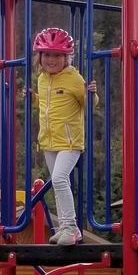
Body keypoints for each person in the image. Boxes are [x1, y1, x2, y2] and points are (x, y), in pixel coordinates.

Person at [31, 26, 97, 245]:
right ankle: (64, 227)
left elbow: (89, 105)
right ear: (40, 56)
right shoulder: (42, 79)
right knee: (58, 184)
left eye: (58, 55)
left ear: (67, 57)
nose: (52, 60)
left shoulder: (73, 78)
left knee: (59, 179)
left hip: (70, 142)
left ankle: (71, 227)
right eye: (47, 54)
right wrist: (32, 99)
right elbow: (45, 104)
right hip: (49, 141)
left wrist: (92, 94)